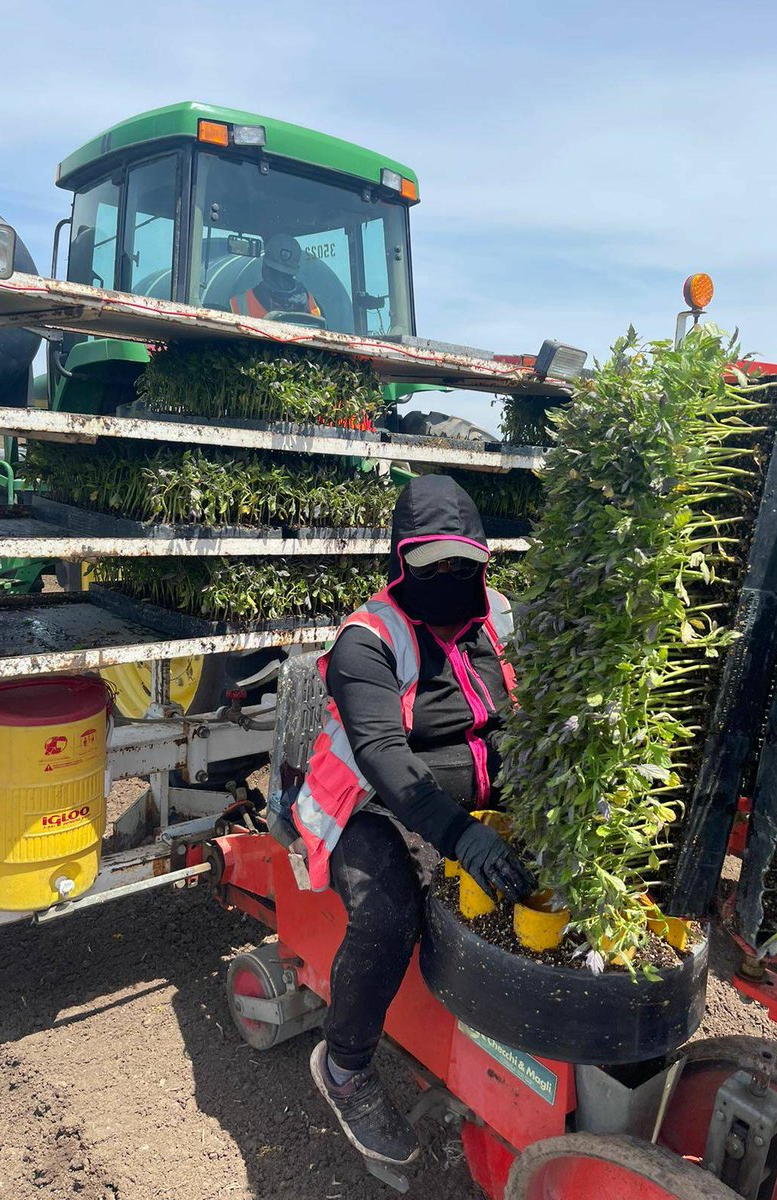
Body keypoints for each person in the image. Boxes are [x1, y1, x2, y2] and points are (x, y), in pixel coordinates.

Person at [291, 474, 536, 1167]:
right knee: (391, 913)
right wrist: (460, 833)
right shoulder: (367, 640)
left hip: (477, 804)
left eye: (467, 566)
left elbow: (522, 706)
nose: (453, 581)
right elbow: (381, 755)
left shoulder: (498, 616)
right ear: (402, 563)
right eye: (435, 568)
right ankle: (345, 1068)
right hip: (366, 809)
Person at [229, 233, 322, 319]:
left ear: (264, 268)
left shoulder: (238, 303)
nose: (280, 280)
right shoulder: (311, 303)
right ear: (294, 273)